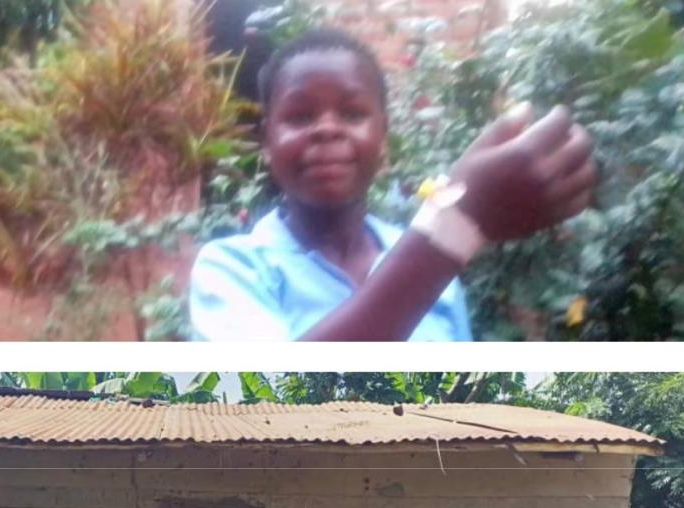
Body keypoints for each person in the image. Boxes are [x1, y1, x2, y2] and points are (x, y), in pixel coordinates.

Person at [189, 27, 598, 341]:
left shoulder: (430, 268)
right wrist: (455, 225)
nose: (327, 129)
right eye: (299, 117)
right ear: (266, 143)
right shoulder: (232, 268)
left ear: (383, 138)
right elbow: (268, 407)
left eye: (352, 114)